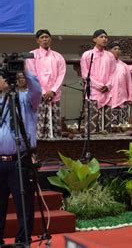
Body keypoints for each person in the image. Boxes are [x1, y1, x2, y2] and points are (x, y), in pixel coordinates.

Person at [0, 70, 41, 246]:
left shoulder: (26, 100)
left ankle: (23, 241)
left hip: (20, 160)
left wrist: (25, 69)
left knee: (24, 206)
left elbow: (37, 91)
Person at [26, 29, 66, 139]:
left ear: (50, 39)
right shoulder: (31, 55)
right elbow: (32, 75)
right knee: (38, 124)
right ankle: (38, 150)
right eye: (42, 37)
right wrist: (43, 91)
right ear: (37, 41)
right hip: (38, 95)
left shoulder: (58, 57)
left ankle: (56, 151)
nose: (45, 39)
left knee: (55, 124)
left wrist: (53, 91)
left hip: (54, 95)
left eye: (47, 37)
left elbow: (61, 76)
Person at [80, 29, 117, 135]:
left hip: (107, 93)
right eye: (101, 37)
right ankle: (91, 148)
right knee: (92, 123)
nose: (104, 39)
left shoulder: (110, 56)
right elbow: (85, 74)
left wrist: (108, 85)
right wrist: (99, 86)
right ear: (94, 39)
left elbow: (113, 73)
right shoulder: (87, 55)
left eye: (106, 37)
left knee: (106, 123)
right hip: (93, 93)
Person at [108, 41, 132, 126]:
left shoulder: (124, 66)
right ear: (109, 51)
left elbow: (129, 83)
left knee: (123, 125)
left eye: (119, 49)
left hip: (123, 99)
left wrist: (130, 97)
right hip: (110, 99)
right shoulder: (106, 64)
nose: (117, 51)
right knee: (111, 125)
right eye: (115, 49)